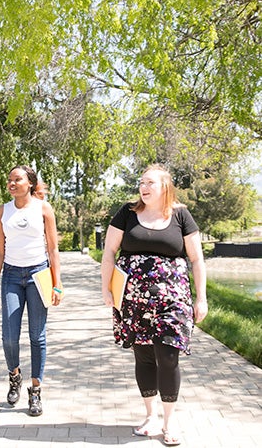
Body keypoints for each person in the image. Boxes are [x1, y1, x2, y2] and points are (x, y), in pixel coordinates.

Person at [101, 164, 208, 446]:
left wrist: (201, 297)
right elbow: (110, 252)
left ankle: (170, 422)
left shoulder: (181, 215)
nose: (143, 187)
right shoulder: (127, 213)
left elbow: (196, 259)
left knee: (168, 356)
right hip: (133, 298)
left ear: (165, 186)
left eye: (150, 182)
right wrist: (106, 288)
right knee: (144, 357)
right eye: (141, 182)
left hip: (172, 298)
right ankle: (150, 416)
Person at [0, 165, 62, 416]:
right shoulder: (3, 211)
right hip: (10, 274)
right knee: (9, 336)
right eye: (9, 179)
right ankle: (14, 375)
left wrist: (57, 283)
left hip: (38, 274)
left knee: (37, 336)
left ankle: (36, 390)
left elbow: (53, 249)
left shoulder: (43, 208)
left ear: (29, 183)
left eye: (17, 179)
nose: (11, 183)